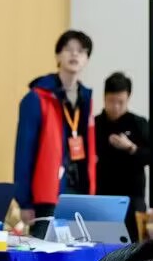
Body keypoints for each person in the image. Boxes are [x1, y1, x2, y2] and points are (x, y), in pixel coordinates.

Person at [14, 30, 97, 224]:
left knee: (79, 243)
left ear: (86, 59)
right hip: (48, 194)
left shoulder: (86, 99)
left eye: (81, 51)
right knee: (45, 242)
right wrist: (25, 202)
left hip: (80, 192)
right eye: (68, 49)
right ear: (58, 56)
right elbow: (24, 153)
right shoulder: (37, 98)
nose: (75, 54)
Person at [93, 72, 151, 242]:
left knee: (133, 247)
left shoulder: (139, 123)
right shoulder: (95, 124)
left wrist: (131, 148)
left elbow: (151, 158)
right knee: (102, 245)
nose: (116, 107)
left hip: (132, 199)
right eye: (111, 101)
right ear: (104, 98)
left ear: (128, 98)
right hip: (102, 198)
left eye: (121, 102)